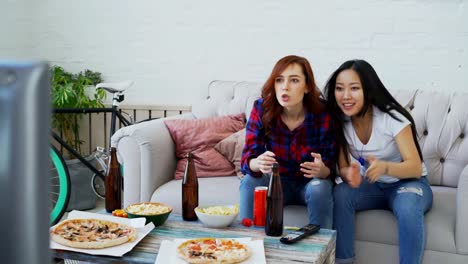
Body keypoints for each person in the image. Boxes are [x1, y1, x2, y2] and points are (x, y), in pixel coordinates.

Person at [324, 59, 433, 264]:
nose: (345, 96)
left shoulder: (391, 118)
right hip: (373, 185)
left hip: (408, 183)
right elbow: (344, 167)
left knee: (408, 206)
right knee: (341, 193)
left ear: (368, 89)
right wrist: (350, 174)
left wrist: (385, 167)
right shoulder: (339, 120)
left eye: (354, 88)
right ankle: (343, 261)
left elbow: (415, 167)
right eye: (339, 89)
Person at [239, 55, 336, 229]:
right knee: (249, 182)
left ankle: (322, 251)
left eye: (294, 80)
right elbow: (248, 159)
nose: (285, 86)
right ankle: (246, 244)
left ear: (307, 86)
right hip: (275, 181)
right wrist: (257, 163)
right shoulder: (262, 108)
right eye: (279, 80)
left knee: (319, 188)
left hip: (309, 182)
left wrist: (322, 170)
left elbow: (330, 166)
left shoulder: (323, 112)